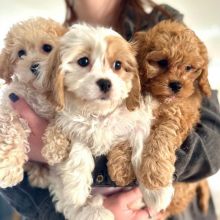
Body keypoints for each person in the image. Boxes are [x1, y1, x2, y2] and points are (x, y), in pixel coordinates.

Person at [0, 0, 220, 220]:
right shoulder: (52, 39)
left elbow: (213, 144)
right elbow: (16, 185)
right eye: (84, 61)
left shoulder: (161, 23)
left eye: (117, 65)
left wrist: (100, 170)